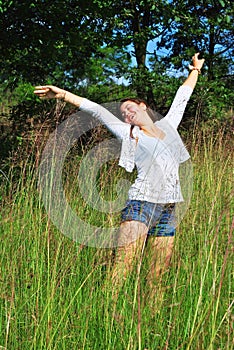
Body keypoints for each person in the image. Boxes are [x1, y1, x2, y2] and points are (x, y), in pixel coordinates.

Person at [34, 53, 205, 299]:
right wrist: (62, 94)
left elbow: (183, 95)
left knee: (158, 275)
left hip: (169, 208)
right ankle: (107, 315)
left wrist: (195, 70)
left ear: (144, 107)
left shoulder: (169, 125)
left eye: (130, 108)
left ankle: (150, 325)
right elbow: (96, 110)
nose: (126, 114)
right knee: (122, 269)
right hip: (141, 205)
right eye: (123, 112)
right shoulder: (128, 133)